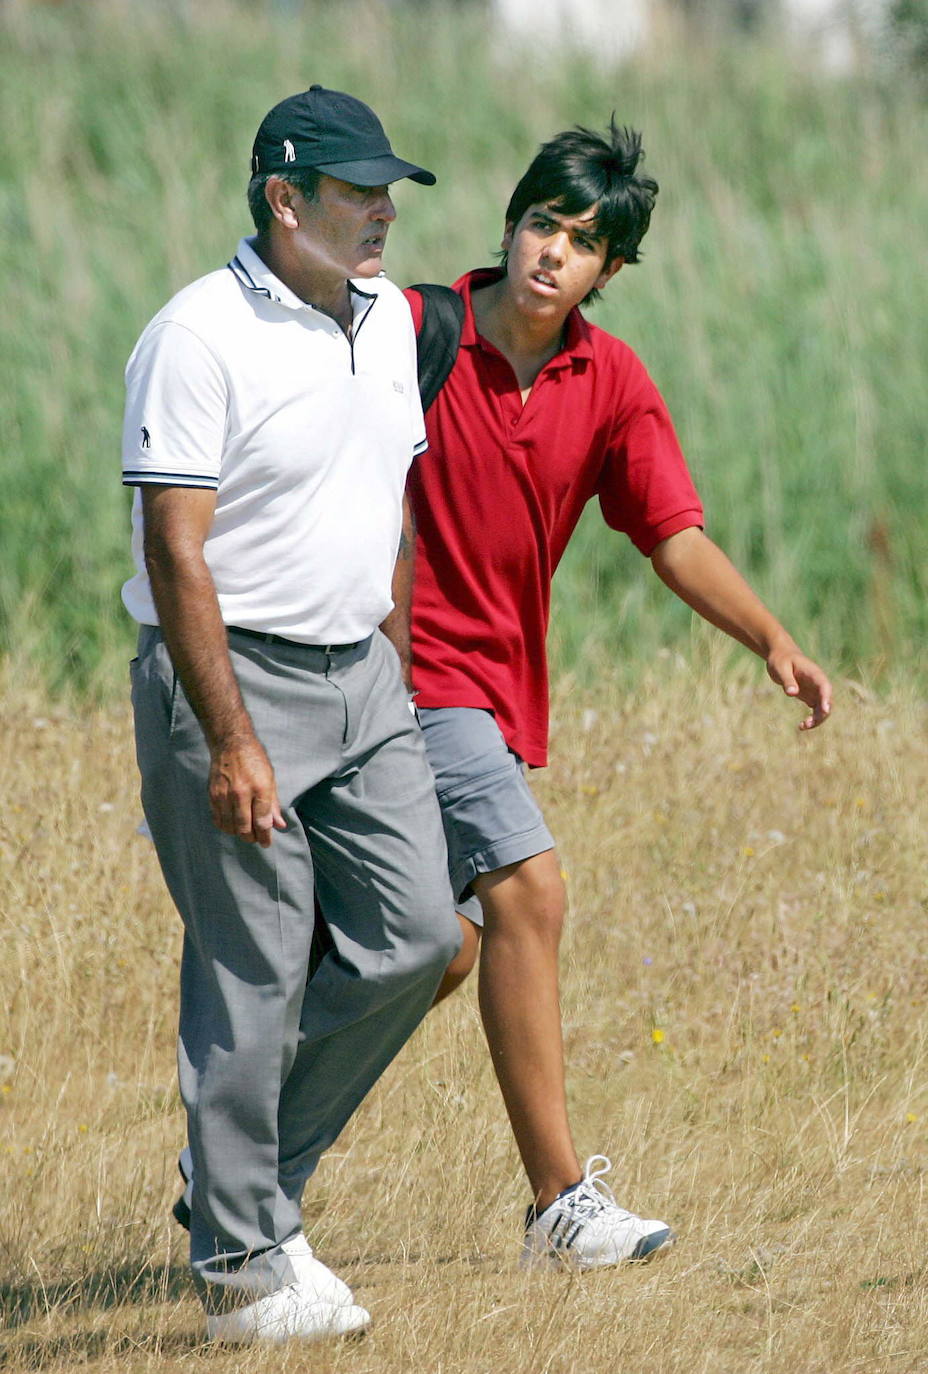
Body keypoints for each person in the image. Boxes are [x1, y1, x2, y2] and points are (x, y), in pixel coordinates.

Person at [403, 119, 832, 1271]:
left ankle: (240, 1165)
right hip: (400, 677)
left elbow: (672, 534)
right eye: (542, 221)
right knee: (529, 895)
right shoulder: (408, 331)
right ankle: (557, 1206)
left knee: (431, 953)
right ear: (509, 221)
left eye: (583, 240)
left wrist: (769, 639)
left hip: (491, 700)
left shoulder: (610, 379)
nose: (553, 250)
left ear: (610, 271)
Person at [122, 85, 460, 1344]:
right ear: (283, 199)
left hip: (361, 674)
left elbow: (393, 504)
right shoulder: (196, 335)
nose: (382, 212)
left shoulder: (383, 322)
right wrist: (230, 738)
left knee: (421, 937)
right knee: (254, 971)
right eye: (358, 192)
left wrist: (401, 675)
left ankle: (236, 1188)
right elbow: (175, 548)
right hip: (230, 673)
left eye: (389, 192)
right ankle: (243, 1265)